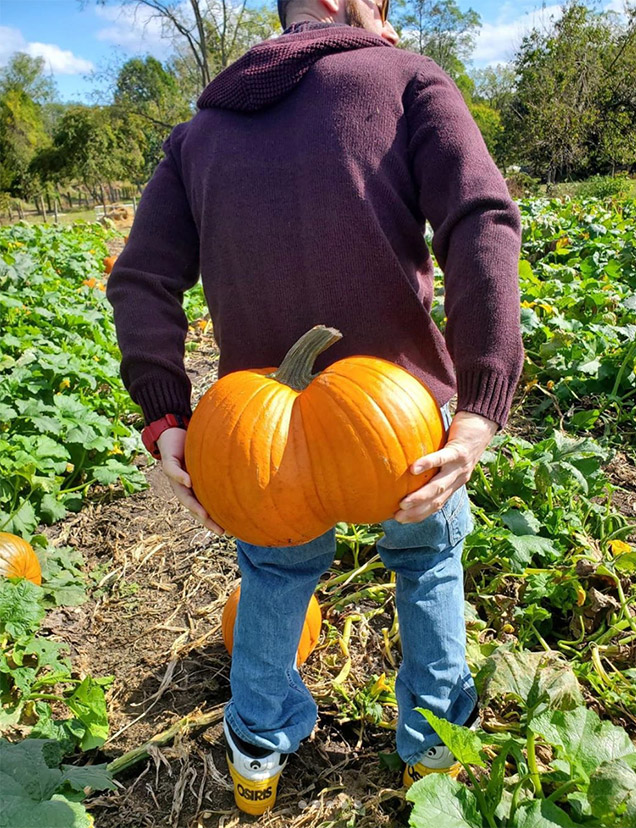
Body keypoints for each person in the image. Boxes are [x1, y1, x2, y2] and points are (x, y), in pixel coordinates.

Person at [107, 0, 524, 815]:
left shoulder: (201, 132)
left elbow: (141, 277)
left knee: (273, 575)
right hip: (401, 420)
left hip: (260, 440)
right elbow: (481, 222)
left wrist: (166, 415)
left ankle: (258, 751)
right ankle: (434, 750)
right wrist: (480, 397)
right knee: (428, 563)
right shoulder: (406, 80)